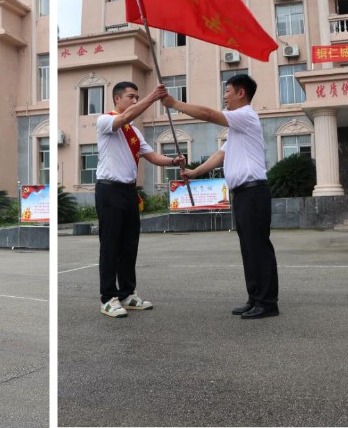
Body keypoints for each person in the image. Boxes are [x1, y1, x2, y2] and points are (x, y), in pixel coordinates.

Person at [162, 73, 279, 319]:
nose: (224, 95)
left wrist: (174, 104)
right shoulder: (237, 129)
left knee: (258, 247)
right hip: (243, 194)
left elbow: (206, 114)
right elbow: (220, 155)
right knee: (248, 248)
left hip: (254, 191)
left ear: (241, 93)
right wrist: (195, 172)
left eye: (228, 91)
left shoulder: (246, 116)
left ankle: (267, 303)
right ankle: (255, 297)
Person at [96, 81, 186, 318]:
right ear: (117, 99)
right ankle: (108, 298)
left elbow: (152, 156)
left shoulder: (135, 132)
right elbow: (124, 118)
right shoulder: (105, 121)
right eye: (131, 97)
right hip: (109, 190)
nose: (135, 101)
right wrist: (153, 97)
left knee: (129, 245)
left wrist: (173, 162)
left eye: (137, 97)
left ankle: (127, 294)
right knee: (110, 245)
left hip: (128, 191)